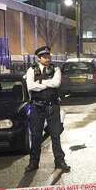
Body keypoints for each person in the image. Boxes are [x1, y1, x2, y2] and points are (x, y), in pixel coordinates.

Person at [24, 45, 69, 173]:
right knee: (36, 136)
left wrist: (40, 84)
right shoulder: (31, 70)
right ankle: (33, 162)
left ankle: (60, 161)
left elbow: (56, 83)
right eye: (44, 57)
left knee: (55, 135)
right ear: (38, 58)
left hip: (52, 106)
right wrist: (46, 84)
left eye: (48, 56)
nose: (47, 58)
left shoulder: (56, 69)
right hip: (37, 107)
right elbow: (30, 86)